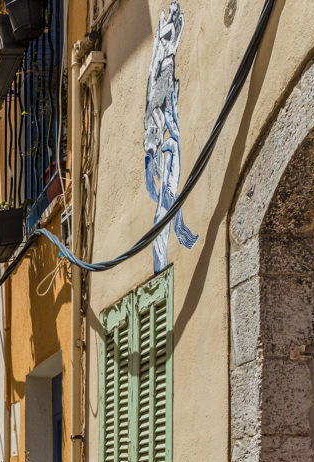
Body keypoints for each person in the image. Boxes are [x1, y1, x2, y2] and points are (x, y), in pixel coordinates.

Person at [144, 1, 198, 273]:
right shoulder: (160, 68)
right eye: (167, 37)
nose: (170, 42)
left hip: (168, 146)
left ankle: (178, 234)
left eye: (172, 34)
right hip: (164, 148)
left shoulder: (166, 64)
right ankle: (177, 237)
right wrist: (154, 152)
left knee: (164, 210)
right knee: (161, 215)